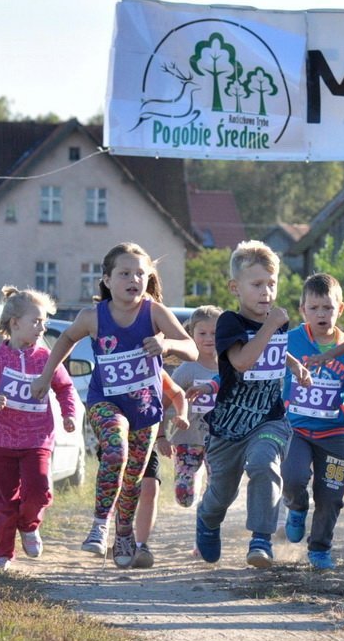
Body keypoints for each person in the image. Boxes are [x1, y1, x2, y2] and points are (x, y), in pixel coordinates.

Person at [32, 243, 197, 569]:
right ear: (107, 279)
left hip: (146, 409)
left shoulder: (155, 313)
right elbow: (66, 340)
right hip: (105, 401)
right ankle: (99, 525)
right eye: (124, 273)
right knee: (116, 452)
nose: (133, 279)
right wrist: (46, 375)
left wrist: (167, 343)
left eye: (140, 273)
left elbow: (190, 348)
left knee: (134, 476)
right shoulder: (93, 317)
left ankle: (123, 534)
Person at [192, 240, 312, 568]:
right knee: (222, 494)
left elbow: (273, 346)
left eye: (271, 284)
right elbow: (243, 360)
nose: (266, 292)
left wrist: (292, 364)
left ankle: (261, 538)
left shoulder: (276, 321)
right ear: (236, 287)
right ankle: (207, 518)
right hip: (230, 425)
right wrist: (272, 325)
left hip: (269, 418)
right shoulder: (229, 322)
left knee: (264, 464)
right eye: (257, 284)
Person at [0, 287, 76, 570]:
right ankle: (2, 553)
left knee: (38, 490)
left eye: (44, 322)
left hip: (37, 438)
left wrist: (69, 414)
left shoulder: (46, 359)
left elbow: (64, 387)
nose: (43, 327)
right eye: (36, 321)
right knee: (4, 500)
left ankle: (29, 524)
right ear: (14, 323)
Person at [281, 273, 344, 571]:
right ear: (303, 310)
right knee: (293, 477)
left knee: (331, 495)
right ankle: (296, 507)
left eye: (328, 307)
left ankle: (320, 547)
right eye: (314, 308)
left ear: (341, 309)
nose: (321, 314)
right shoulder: (291, 341)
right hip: (296, 430)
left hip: (334, 434)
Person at [130, 369, 189, 569]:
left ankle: (141, 545)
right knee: (122, 491)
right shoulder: (112, 366)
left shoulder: (155, 370)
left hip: (146, 441)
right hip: (116, 442)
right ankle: (120, 537)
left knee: (150, 489)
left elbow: (176, 394)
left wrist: (164, 434)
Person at [169, 306, 222, 508]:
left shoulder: (230, 367)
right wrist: (164, 436)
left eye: (215, 333)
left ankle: (207, 514)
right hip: (187, 438)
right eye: (202, 333)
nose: (209, 338)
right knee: (184, 497)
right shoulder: (186, 369)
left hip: (219, 439)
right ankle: (195, 491)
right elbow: (168, 401)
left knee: (218, 490)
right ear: (192, 334)